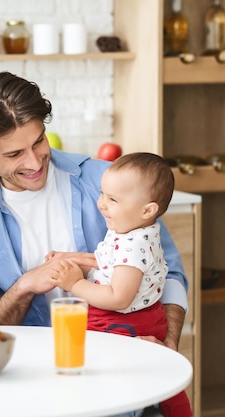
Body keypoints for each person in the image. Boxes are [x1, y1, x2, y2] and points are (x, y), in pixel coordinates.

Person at [0, 72, 189, 416]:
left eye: (39, 142)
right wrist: (24, 286)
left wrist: (167, 343)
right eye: (15, 153)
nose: (33, 162)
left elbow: (171, 273)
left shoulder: (110, 182)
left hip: (119, 385)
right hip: (27, 392)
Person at [47, 152, 193, 417]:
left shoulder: (133, 244)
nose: (101, 204)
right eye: (103, 194)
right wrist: (71, 258)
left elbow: (118, 297)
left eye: (112, 199)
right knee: (162, 380)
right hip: (142, 317)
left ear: (148, 209)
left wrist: (75, 283)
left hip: (126, 324)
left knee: (119, 386)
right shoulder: (133, 228)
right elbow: (108, 261)